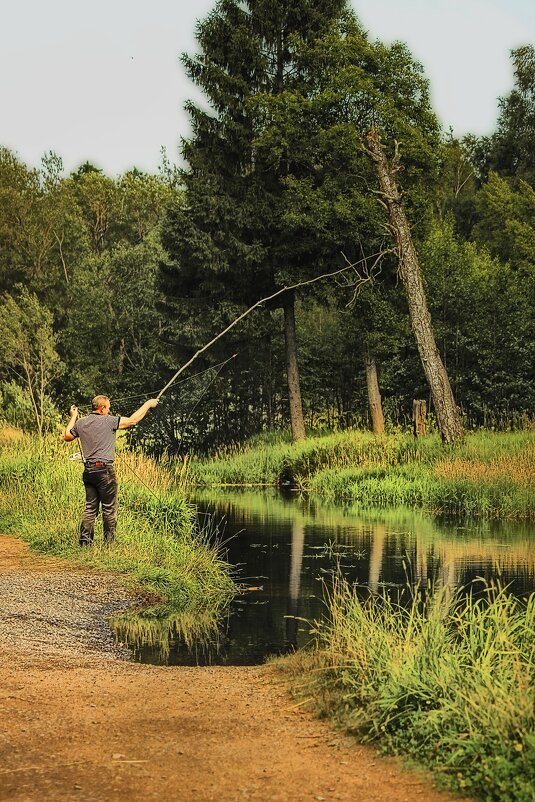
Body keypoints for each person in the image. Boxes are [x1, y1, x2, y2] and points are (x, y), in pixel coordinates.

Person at [64, 395, 159, 546]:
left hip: (88, 471)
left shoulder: (81, 423)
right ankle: (109, 544)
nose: (109, 411)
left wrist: (74, 416)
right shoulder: (109, 420)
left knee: (90, 508)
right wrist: (148, 404)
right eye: (108, 408)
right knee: (109, 509)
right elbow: (133, 420)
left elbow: (67, 436)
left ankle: (84, 542)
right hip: (105, 472)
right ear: (102, 408)